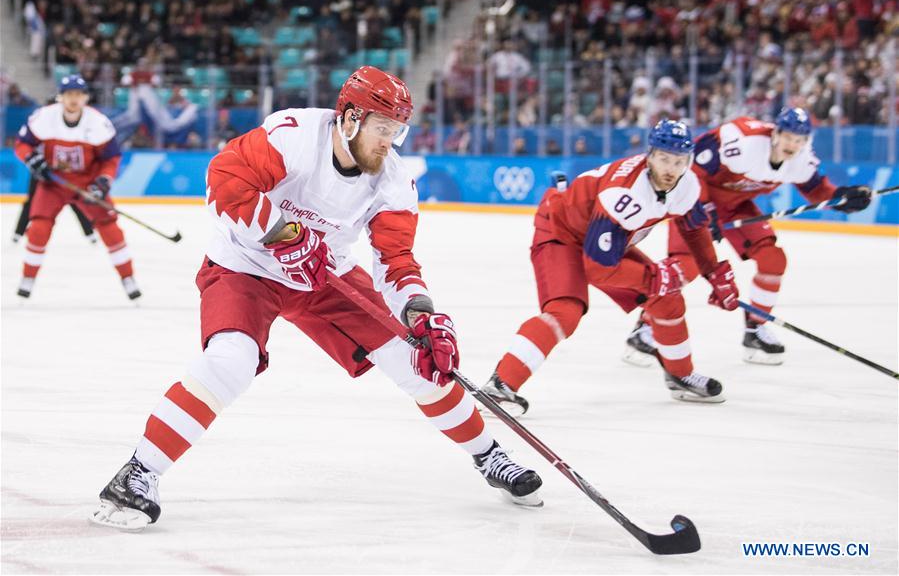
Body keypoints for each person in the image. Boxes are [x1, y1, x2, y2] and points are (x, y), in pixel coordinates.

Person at [89, 66, 543, 532]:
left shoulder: (392, 180)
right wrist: (285, 234)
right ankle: (138, 473)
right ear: (349, 118)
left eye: (397, 131)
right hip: (246, 264)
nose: (390, 142)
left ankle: (489, 456)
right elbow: (225, 179)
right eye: (382, 129)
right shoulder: (294, 136)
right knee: (231, 360)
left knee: (418, 361)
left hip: (326, 274)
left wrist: (420, 312)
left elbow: (396, 258)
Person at [481, 120, 740, 414]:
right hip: (561, 232)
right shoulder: (624, 193)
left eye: (679, 161)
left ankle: (680, 375)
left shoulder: (687, 183)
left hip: (603, 241)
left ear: (688, 160)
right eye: (664, 158)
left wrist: (713, 271)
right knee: (565, 311)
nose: (670, 168)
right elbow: (598, 268)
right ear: (650, 155)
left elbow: (693, 230)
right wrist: (655, 278)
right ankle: (500, 385)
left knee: (667, 300)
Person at [622, 108, 871, 366]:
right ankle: (645, 329)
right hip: (694, 202)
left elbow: (818, 189)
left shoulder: (801, 159)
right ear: (776, 133)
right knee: (687, 267)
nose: (793, 145)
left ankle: (756, 330)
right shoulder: (743, 140)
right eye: (789, 137)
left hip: (735, 207)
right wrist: (704, 210)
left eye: (799, 140)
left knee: (773, 259)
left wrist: (843, 197)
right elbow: (693, 169)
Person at [13, 74, 140, 300]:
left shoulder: (99, 124)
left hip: (87, 181)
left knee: (110, 227)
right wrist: (32, 160)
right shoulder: (44, 117)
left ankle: (127, 277)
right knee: (39, 228)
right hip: (54, 181)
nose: (74, 99)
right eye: (69, 94)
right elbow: (22, 144)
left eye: (78, 94)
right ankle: (28, 277)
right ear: (60, 97)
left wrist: (103, 182)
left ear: (85, 98)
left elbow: (111, 159)